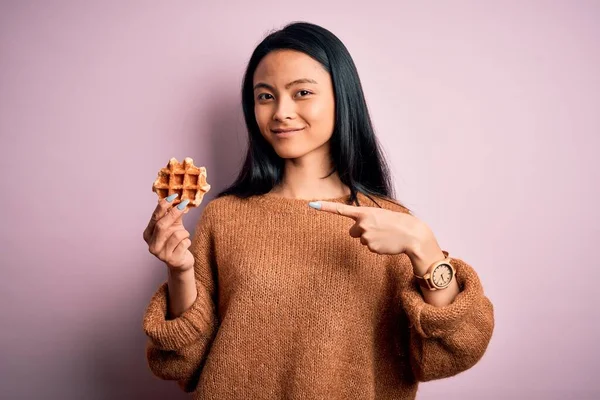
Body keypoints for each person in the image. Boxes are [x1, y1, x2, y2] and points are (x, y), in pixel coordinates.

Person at [142, 22, 494, 399]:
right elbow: (181, 364)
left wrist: (423, 246)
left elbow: (452, 354)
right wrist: (180, 271)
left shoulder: (391, 225)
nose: (281, 112)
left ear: (342, 98)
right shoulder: (224, 217)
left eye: (302, 92)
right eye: (265, 97)